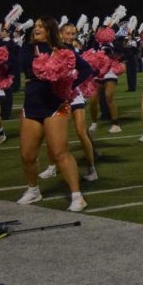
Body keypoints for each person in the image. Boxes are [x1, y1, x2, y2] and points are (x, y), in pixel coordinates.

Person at [14, 17, 93, 212]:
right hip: (31, 105)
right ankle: (33, 190)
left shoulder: (63, 50)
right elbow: (14, 62)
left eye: (41, 26)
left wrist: (68, 85)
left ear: (50, 30)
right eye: (36, 26)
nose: (36, 28)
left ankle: (77, 196)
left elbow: (86, 69)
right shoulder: (27, 49)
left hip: (55, 106)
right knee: (27, 155)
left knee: (59, 153)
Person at [40, 22, 99, 183]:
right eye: (67, 33)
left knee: (81, 131)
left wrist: (72, 85)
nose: (70, 37)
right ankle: (52, 167)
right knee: (53, 134)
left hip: (74, 95)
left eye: (73, 34)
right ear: (60, 34)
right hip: (57, 96)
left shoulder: (71, 51)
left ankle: (92, 168)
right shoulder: (52, 49)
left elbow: (87, 69)